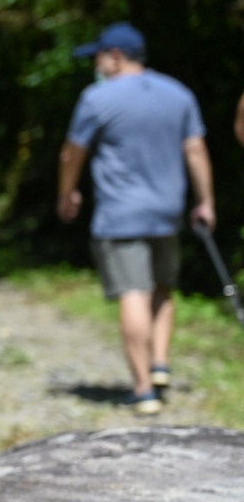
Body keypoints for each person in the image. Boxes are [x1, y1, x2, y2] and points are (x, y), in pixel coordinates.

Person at [57, 22, 215, 413]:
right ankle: (159, 364)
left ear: (115, 57)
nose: (96, 64)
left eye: (98, 56)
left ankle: (143, 389)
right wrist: (206, 201)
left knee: (134, 293)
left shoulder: (97, 98)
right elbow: (195, 150)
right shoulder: (178, 94)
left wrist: (67, 191)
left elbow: (71, 153)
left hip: (121, 213)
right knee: (163, 289)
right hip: (168, 211)